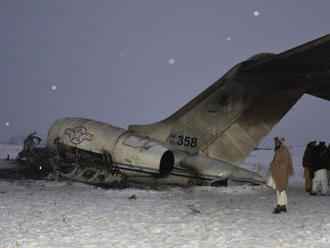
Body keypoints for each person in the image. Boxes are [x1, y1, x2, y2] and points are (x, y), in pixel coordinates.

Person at [268, 137, 294, 214]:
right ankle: (283, 206)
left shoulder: (284, 150)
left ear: (280, 143)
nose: (275, 143)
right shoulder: (278, 150)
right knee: (280, 189)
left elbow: (286, 163)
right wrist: (273, 164)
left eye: (277, 142)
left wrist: (274, 165)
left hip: (282, 173)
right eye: (275, 142)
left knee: (281, 189)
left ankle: (279, 205)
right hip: (278, 172)